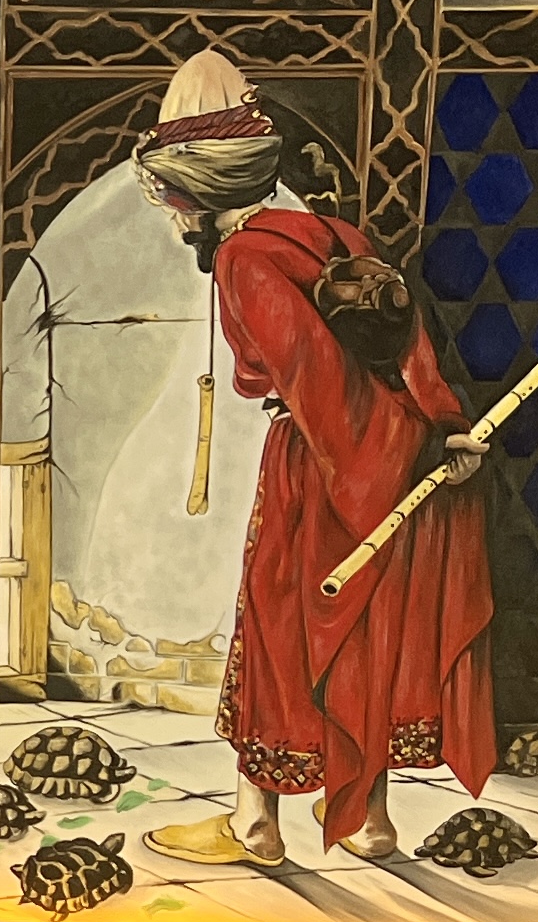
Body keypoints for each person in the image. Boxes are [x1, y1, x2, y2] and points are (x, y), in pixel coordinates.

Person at [130, 52, 502, 868]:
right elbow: (410, 352)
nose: (172, 217)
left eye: (170, 198)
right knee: (369, 630)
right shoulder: (337, 235)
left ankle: (255, 826)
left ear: (194, 188)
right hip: (398, 454)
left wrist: (378, 458)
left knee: (279, 631)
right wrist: (439, 431)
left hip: (329, 464)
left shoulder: (245, 257)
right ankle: (370, 822)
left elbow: (316, 379)